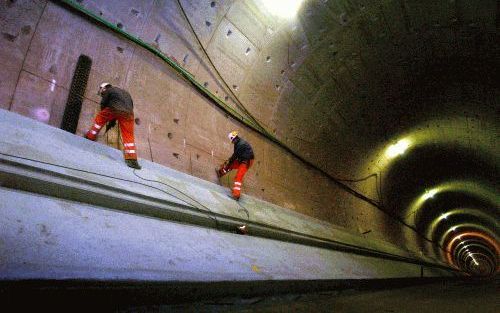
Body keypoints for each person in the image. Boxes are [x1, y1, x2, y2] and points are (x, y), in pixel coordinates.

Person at [84, 83, 141, 169]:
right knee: (128, 135)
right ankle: (132, 160)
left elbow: (103, 104)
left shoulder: (109, 91)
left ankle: (90, 136)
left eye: (101, 93)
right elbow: (130, 105)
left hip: (114, 109)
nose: (102, 94)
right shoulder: (125, 92)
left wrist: (108, 116)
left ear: (104, 88)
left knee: (99, 119)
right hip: (129, 113)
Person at [217, 131, 254, 201]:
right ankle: (221, 172)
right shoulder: (237, 143)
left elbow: (235, 156)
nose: (232, 142)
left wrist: (229, 162)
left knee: (238, 177)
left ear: (234, 139)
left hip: (247, 162)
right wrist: (229, 161)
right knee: (231, 165)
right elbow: (234, 155)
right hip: (242, 159)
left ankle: (236, 195)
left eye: (232, 140)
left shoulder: (240, 144)